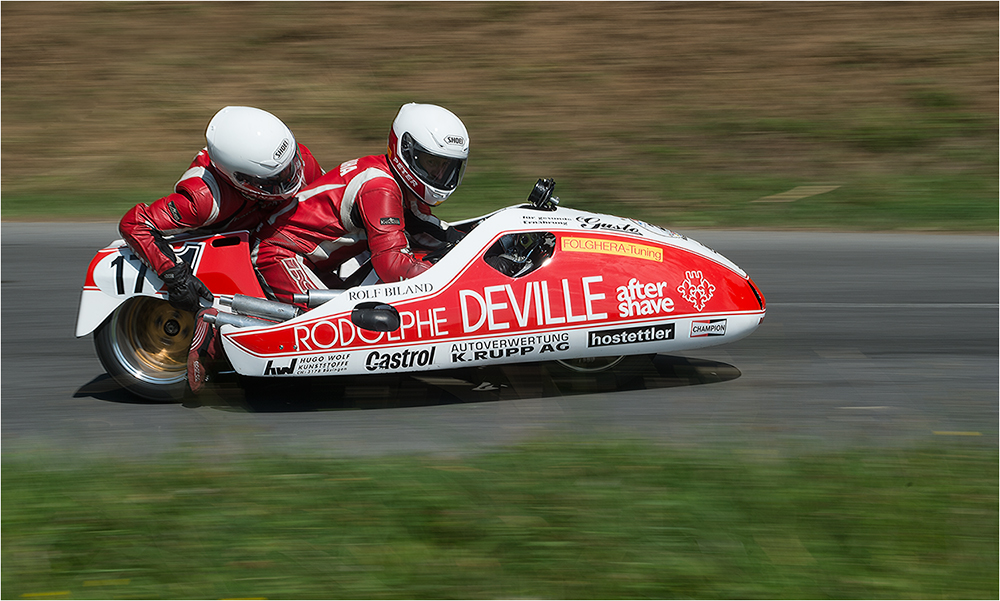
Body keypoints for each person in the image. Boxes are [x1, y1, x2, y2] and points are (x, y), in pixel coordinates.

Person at [118, 106, 325, 392]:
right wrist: (175, 276)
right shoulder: (203, 199)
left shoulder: (291, 159)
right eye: (274, 180)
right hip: (235, 254)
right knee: (302, 309)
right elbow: (134, 222)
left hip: (271, 232)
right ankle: (213, 334)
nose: (290, 180)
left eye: (290, 167)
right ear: (238, 179)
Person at [253, 102, 468, 305]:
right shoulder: (380, 187)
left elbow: (435, 234)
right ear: (406, 150)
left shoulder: (399, 186)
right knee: (333, 324)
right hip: (279, 254)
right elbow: (392, 265)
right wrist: (455, 279)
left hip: (318, 265)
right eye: (431, 163)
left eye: (447, 167)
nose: (439, 175)